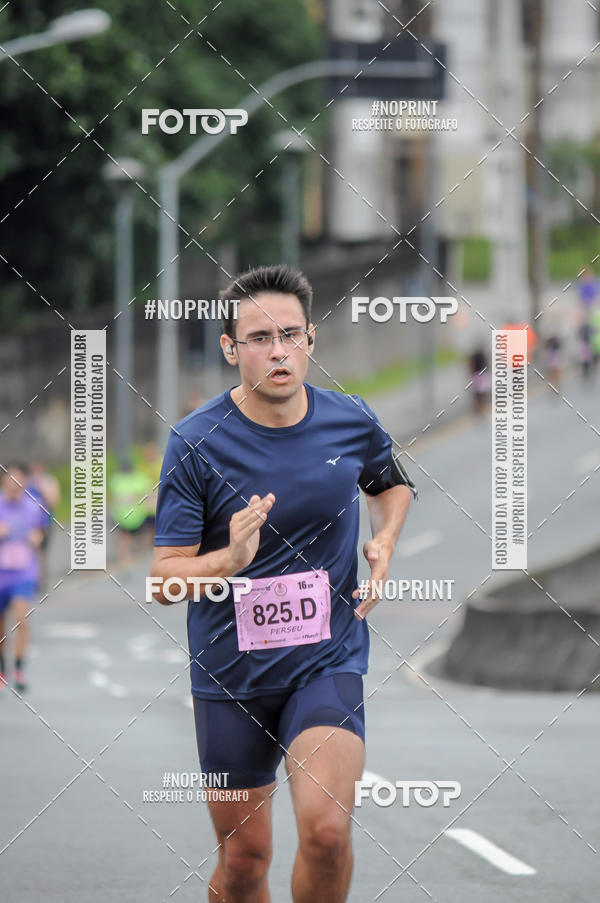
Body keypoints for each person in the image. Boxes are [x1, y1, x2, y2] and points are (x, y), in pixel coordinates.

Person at [150, 264, 416, 903]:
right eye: (260, 338)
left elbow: (391, 484)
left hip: (326, 659)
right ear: (230, 349)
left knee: (325, 831)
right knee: (245, 860)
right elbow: (163, 580)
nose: (278, 351)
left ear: (311, 339)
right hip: (230, 673)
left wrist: (384, 542)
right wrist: (227, 560)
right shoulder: (195, 442)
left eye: (290, 335)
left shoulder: (351, 419)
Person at [0, 463, 46, 693]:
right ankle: (1, 670)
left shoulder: (33, 506)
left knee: (21, 619)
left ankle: (18, 669)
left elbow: (41, 531)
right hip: (1, 573)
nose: (15, 486)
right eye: (11, 481)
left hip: (23, 572)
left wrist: (36, 538)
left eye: (19, 482)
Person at [109, 461, 154, 566]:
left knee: (126, 537)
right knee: (132, 536)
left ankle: (127, 558)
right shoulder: (138, 478)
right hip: (133, 515)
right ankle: (134, 557)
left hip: (127, 516)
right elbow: (148, 494)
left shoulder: (116, 480)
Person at [26, 460, 61, 591]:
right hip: (28, 523)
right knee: (31, 552)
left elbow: (54, 501)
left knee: (41, 551)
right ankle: (30, 579)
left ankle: (42, 581)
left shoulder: (49, 481)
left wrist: (42, 487)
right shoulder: (25, 481)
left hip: (44, 521)